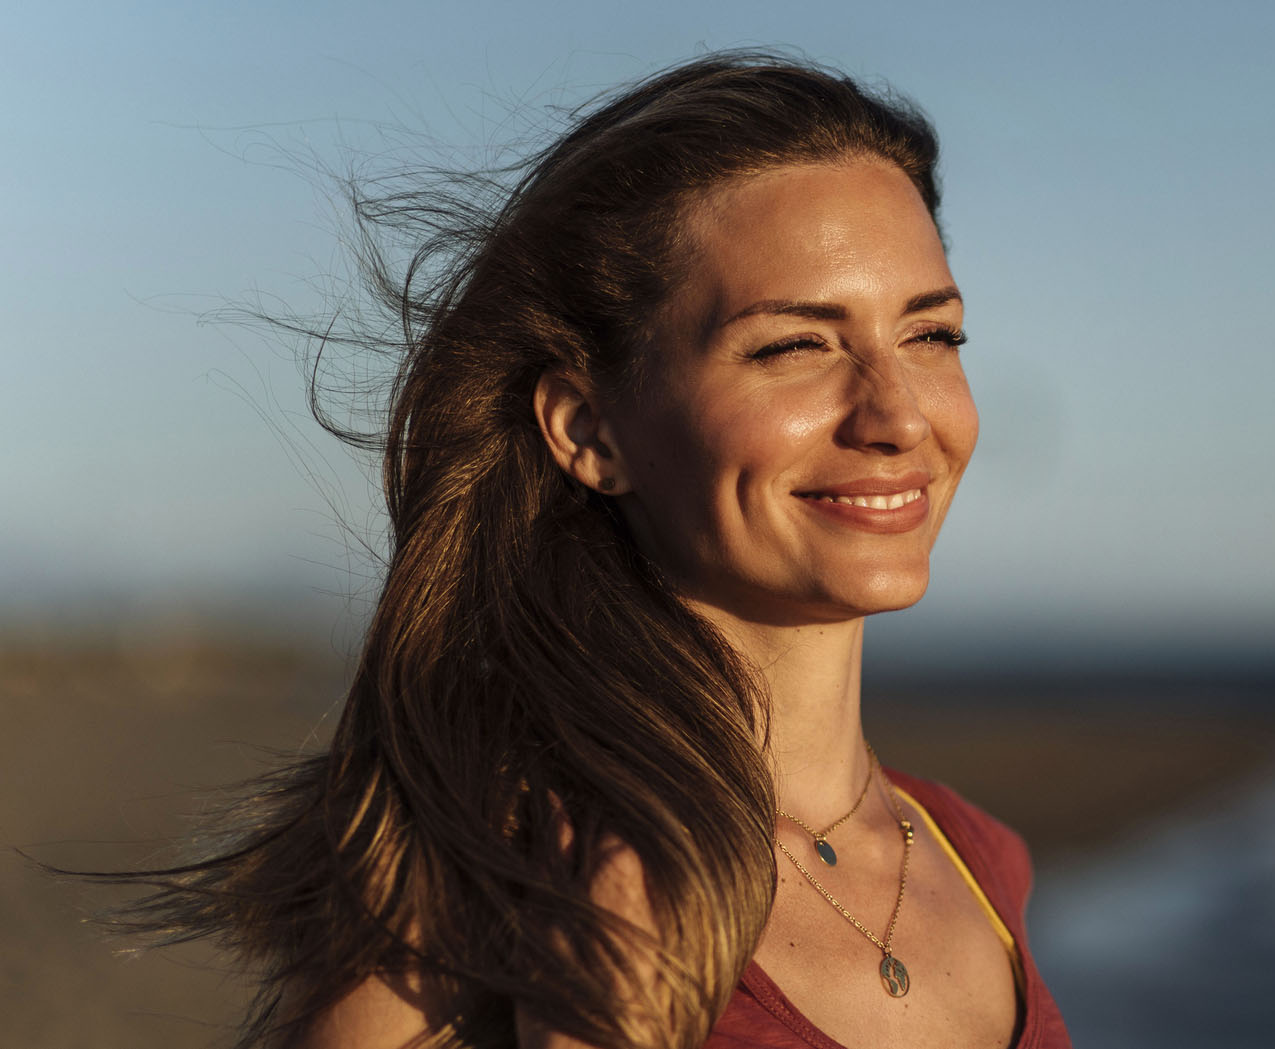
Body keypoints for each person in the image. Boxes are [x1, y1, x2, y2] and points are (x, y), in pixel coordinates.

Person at [111, 52, 1072, 1049]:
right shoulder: (499, 864)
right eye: (794, 345)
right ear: (588, 430)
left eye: (931, 335)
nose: (896, 416)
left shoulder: (976, 856)